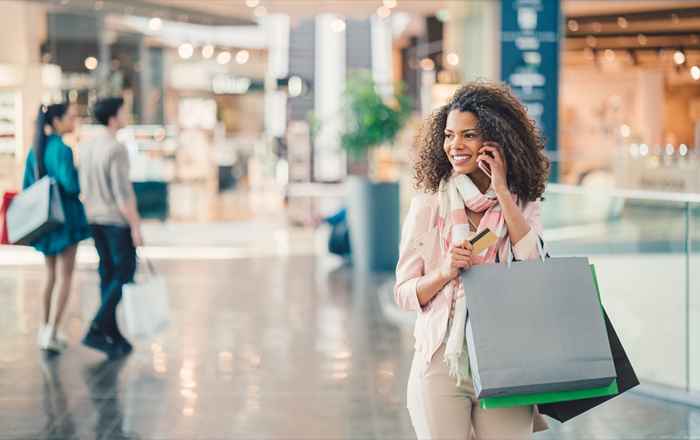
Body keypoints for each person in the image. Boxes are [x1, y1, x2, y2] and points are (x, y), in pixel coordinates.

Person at [394, 82, 551, 439]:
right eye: (449, 136)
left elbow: (535, 266)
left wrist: (502, 192)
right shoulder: (429, 204)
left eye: (468, 135)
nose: (455, 146)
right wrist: (444, 271)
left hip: (506, 355)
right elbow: (403, 293)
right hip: (441, 357)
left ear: (496, 140)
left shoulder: (523, 203)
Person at [23, 103, 90, 353]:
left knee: (50, 275)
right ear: (58, 121)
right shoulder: (62, 148)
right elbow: (72, 186)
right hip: (66, 219)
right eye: (71, 117)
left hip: (45, 220)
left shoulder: (36, 148)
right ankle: (53, 330)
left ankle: (44, 328)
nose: (74, 121)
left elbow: (27, 184)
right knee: (66, 276)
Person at [78, 97, 143, 358]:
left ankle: (111, 334)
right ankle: (98, 326)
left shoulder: (87, 147)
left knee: (107, 273)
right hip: (115, 221)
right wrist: (136, 226)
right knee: (125, 271)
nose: (126, 114)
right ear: (114, 117)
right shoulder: (116, 148)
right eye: (123, 111)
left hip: (94, 219)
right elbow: (123, 193)